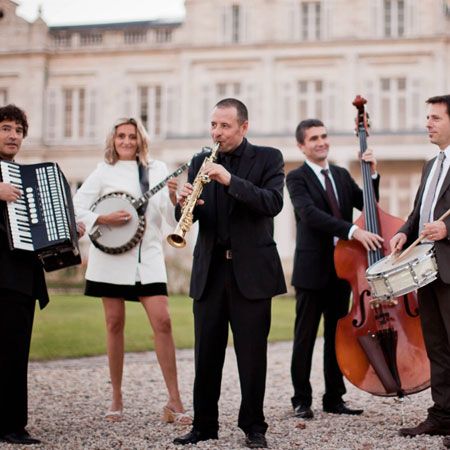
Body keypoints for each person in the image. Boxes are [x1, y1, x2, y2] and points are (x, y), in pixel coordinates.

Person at [173, 98, 286, 449]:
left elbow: (272, 203)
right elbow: (197, 221)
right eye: (213, 125)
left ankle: (254, 426)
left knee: (251, 356)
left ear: (243, 127)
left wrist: (229, 179)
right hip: (210, 270)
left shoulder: (269, 158)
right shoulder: (199, 161)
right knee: (206, 354)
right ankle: (204, 425)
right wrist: (183, 202)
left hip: (250, 272)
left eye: (224, 126)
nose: (216, 132)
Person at [73, 117, 190, 424]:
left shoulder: (158, 170)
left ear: (141, 140)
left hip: (147, 257)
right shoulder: (103, 171)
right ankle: (116, 397)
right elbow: (75, 207)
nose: (126, 141)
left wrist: (175, 198)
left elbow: (169, 217)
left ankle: (174, 401)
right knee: (114, 324)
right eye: (121, 136)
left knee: (163, 322)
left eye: (132, 136)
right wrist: (103, 219)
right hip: (109, 257)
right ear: (113, 141)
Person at [287, 119, 384, 419]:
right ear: (302, 146)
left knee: (336, 337)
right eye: (314, 138)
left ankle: (334, 398)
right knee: (304, 337)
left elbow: (367, 203)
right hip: (311, 270)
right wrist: (352, 233)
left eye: (324, 136)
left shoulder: (341, 174)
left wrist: (373, 173)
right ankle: (301, 400)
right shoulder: (296, 178)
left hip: (342, 270)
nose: (321, 142)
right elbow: (309, 215)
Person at [0, 104, 85, 445]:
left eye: (19, 130)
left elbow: (39, 229)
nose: (13, 136)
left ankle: (12, 424)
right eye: (6, 128)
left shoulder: (24, 177)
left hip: (20, 277)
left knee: (16, 353)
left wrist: (68, 229)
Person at [390, 95, 450, 441]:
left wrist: (448, 229)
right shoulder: (431, 165)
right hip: (426, 269)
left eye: (435, 118)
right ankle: (442, 415)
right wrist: (402, 232)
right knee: (438, 347)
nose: (428, 123)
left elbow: (443, 221)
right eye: (427, 117)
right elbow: (419, 213)